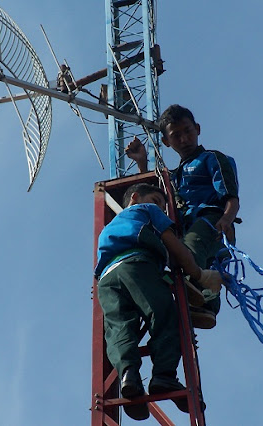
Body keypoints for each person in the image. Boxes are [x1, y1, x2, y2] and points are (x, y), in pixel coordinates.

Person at [94, 183, 221, 420]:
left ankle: (128, 375)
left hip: (107, 278)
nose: (162, 209)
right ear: (135, 198)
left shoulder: (110, 227)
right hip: (137, 265)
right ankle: (164, 375)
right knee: (165, 315)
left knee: (120, 327)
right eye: (157, 201)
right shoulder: (146, 210)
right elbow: (175, 246)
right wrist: (199, 274)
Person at [126, 104, 240, 328]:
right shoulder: (173, 177)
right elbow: (156, 197)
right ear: (167, 142)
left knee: (188, 252)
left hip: (211, 220)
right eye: (176, 135)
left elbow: (231, 196)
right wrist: (141, 162)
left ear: (197, 129)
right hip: (186, 228)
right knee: (201, 264)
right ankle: (204, 307)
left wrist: (226, 219)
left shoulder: (211, 159)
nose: (184, 138)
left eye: (187, 131)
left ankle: (192, 291)